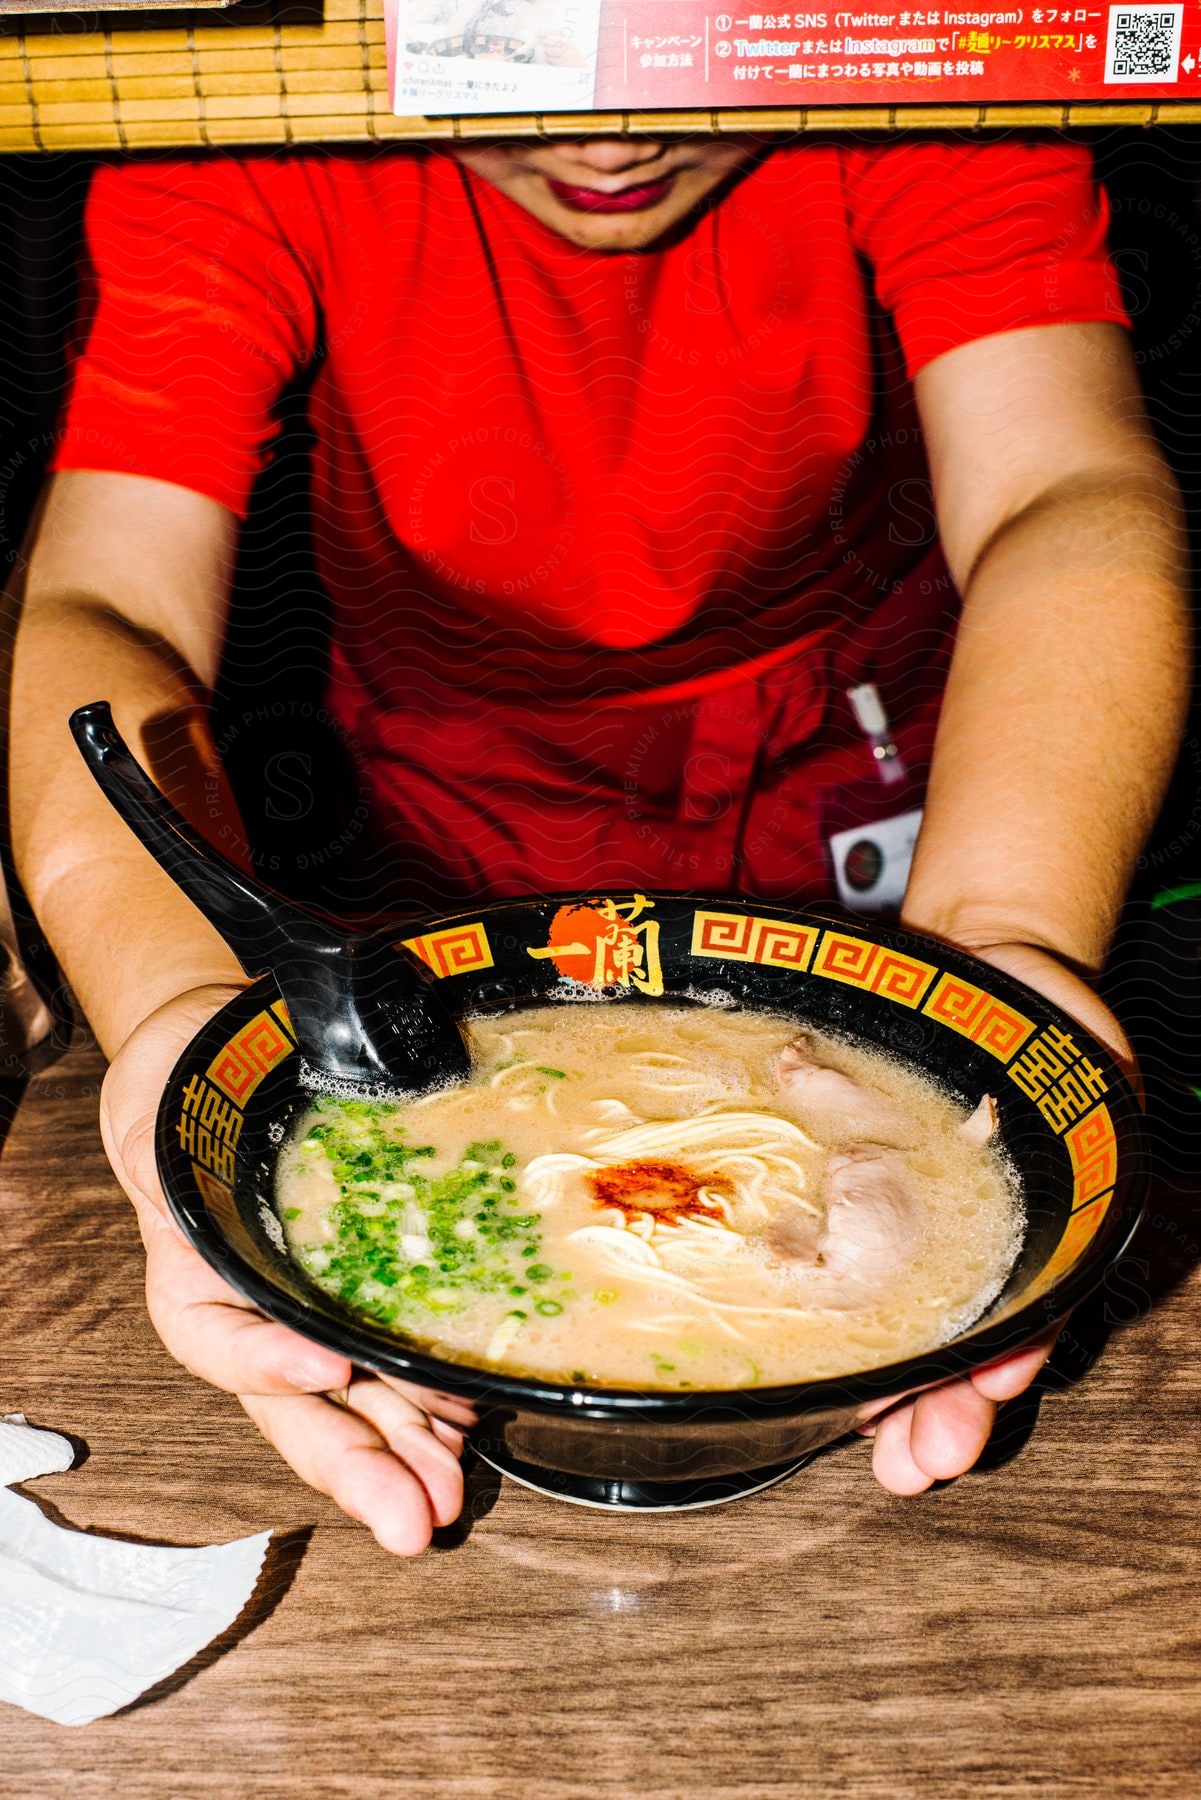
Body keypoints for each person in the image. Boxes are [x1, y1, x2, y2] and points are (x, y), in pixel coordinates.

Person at [9, 130, 1189, 1555]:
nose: (608, 127)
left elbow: (1057, 492)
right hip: (442, 815)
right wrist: (182, 1024)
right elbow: (106, 605)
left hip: (870, 770)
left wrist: (1001, 936)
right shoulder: (244, 101)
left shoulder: (924, 62)